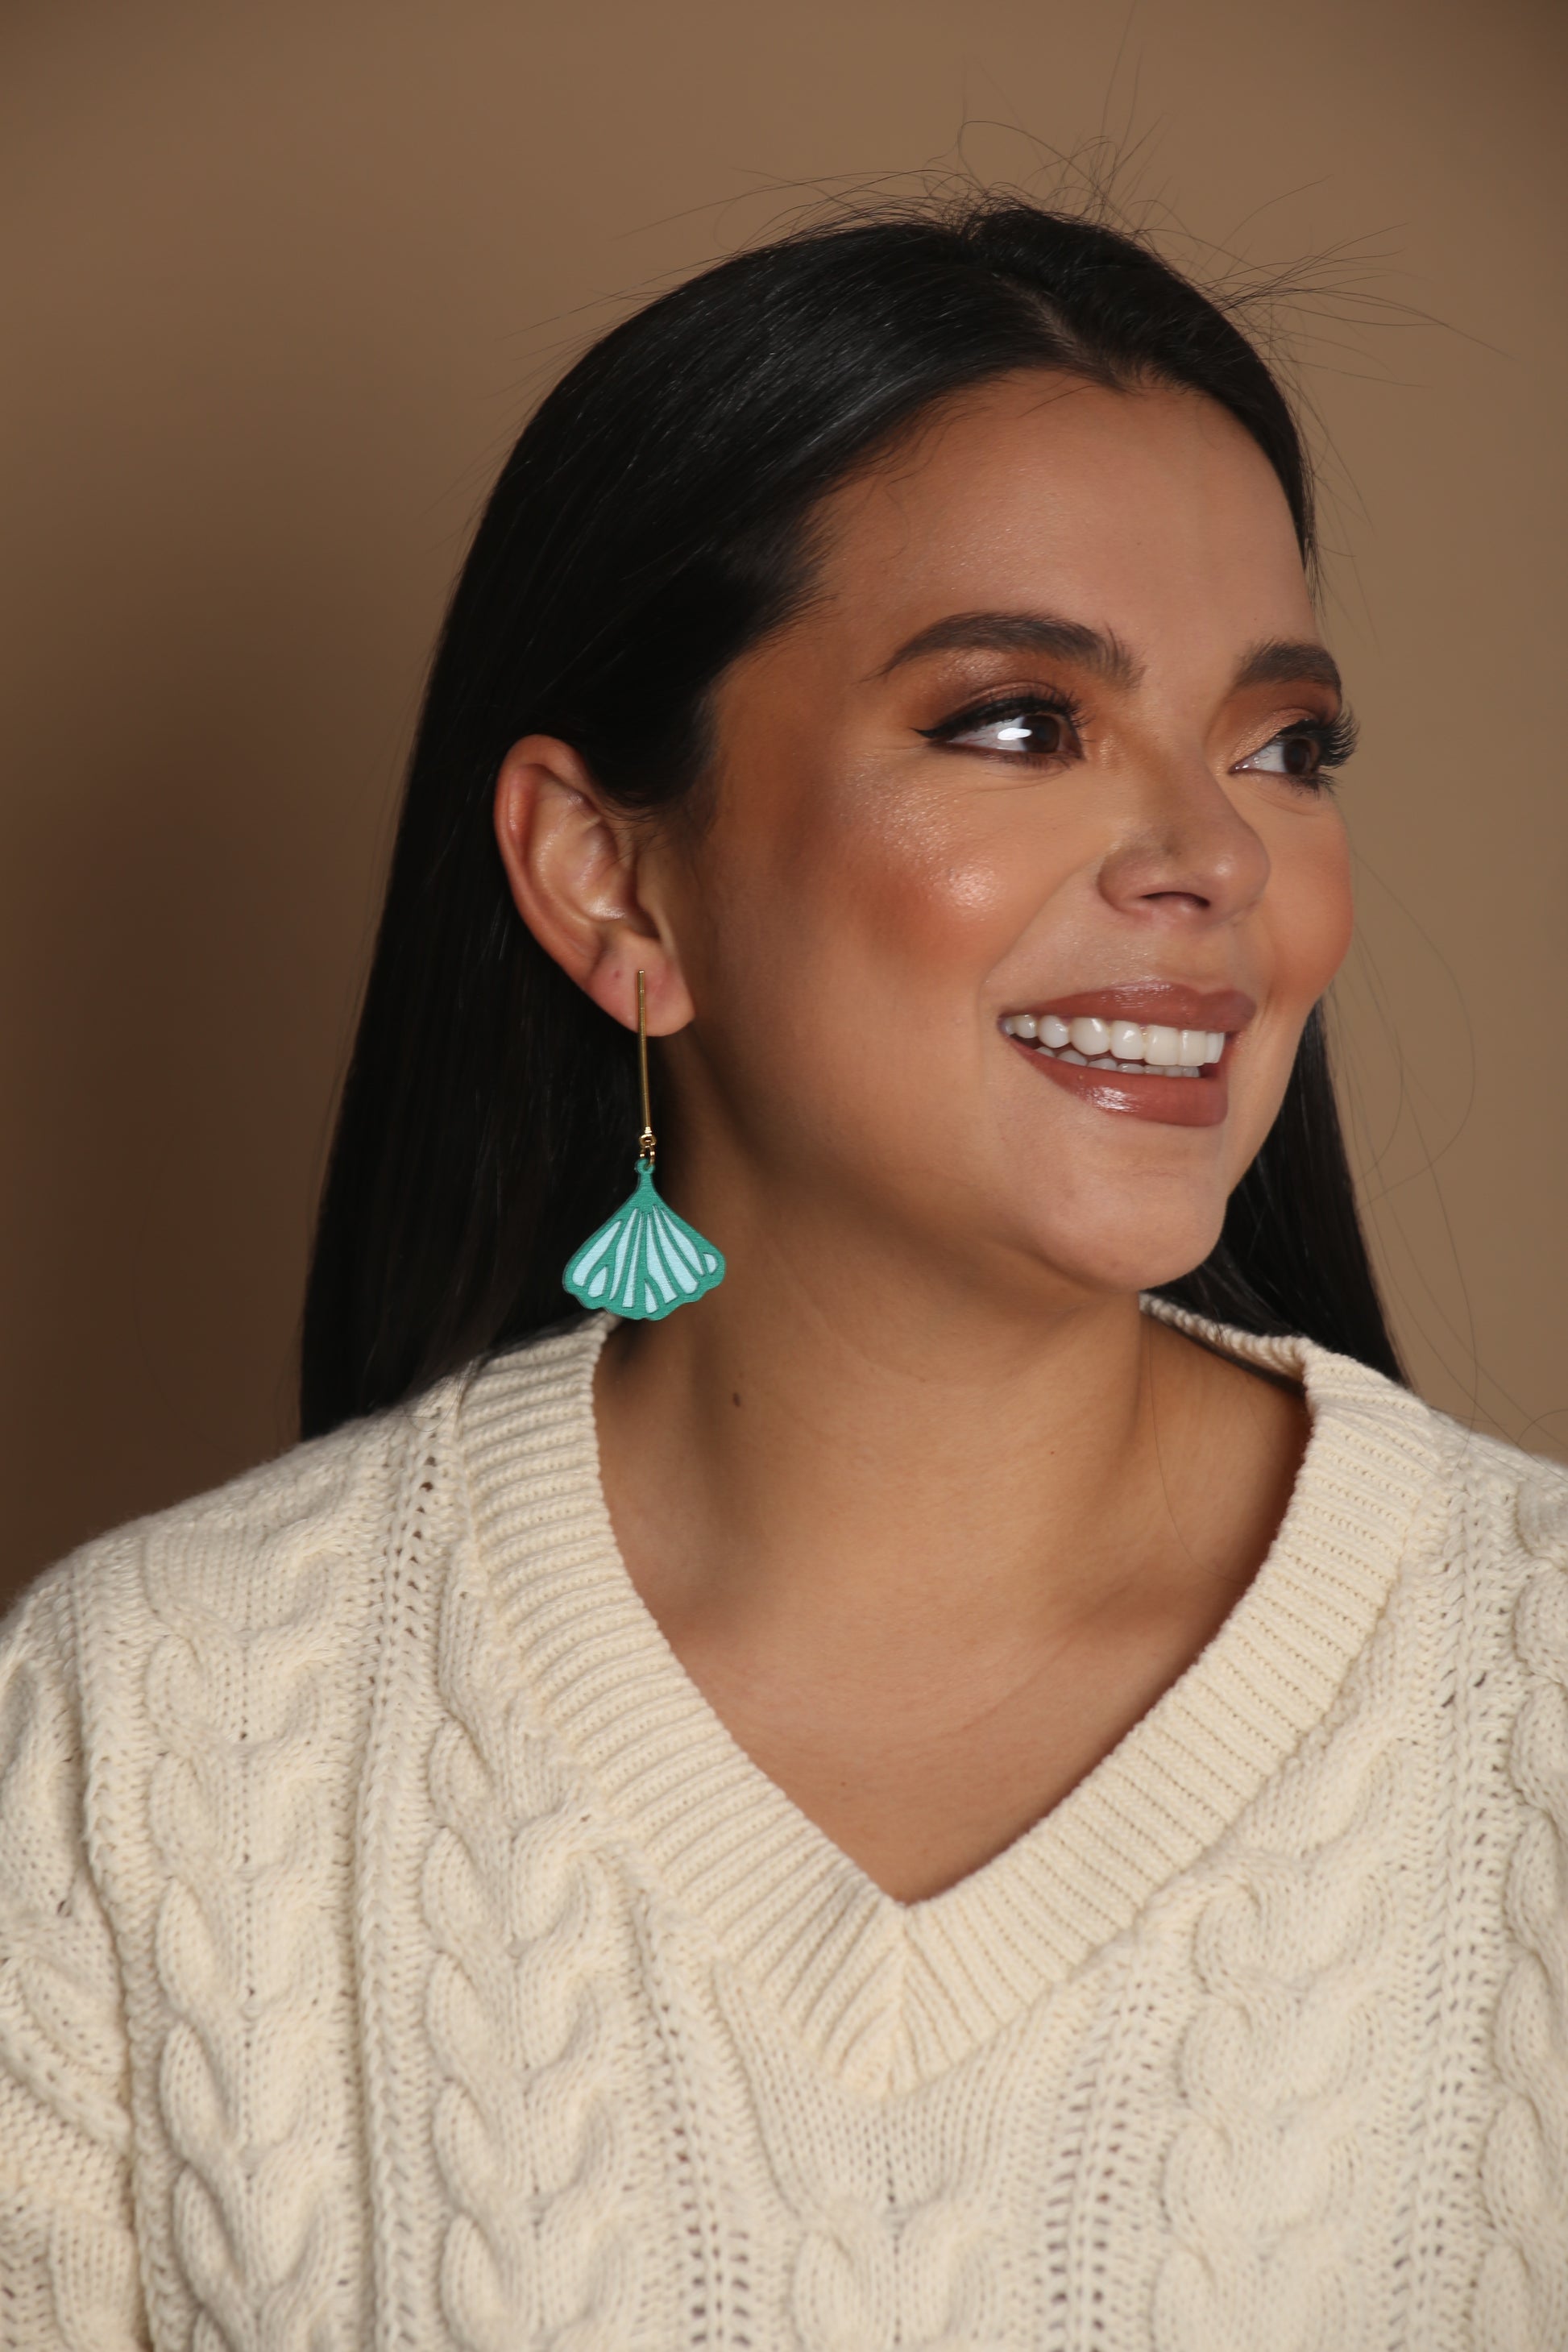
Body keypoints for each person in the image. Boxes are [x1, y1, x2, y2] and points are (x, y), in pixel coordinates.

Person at [2, 197, 1563, 2352]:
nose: (1215, 858)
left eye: (1281, 748)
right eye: (1018, 723)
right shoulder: (152, 1736)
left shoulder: (1536, 1698)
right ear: (607, 880)